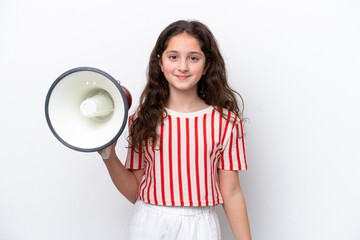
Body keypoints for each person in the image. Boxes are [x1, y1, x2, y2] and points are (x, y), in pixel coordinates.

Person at [99, 20, 251, 240]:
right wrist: (108, 155)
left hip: (202, 227)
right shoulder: (142, 119)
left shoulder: (226, 123)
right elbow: (134, 191)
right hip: (149, 222)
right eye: (173, 57)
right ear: (160, 63)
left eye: (193, 58)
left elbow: (232, 192)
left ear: (206, 65)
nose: (182, 67)